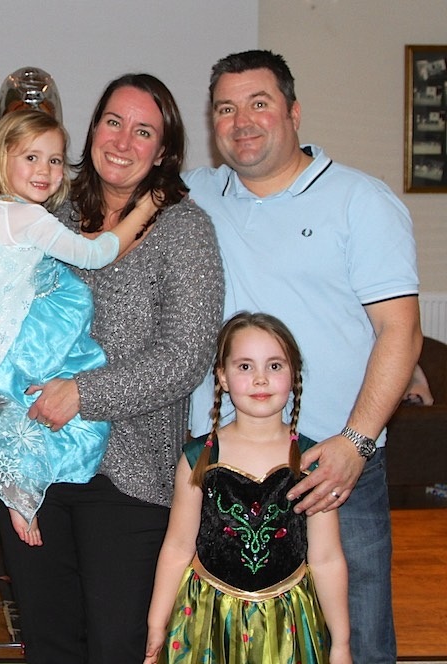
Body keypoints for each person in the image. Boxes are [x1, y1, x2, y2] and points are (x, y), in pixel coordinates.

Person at [185, 50, 422, 664]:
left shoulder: (360, 201)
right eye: (225, 109)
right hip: (225, 472)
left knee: (358, 639)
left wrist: (356, 443)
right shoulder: (194, 197)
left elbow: (400, 331)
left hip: (332, 468)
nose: (242, 121)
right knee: (234, 644)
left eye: (258, 103)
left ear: (293, 112)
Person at [9, 74, 225, 663]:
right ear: (93, 129)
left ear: (164, 149)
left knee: (118, 647)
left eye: (143, 130)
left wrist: (84, 393)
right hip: (40, 466)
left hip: (130, 476)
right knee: (49, 645)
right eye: (113, 122)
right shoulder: (49, 216)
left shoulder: (185, 229)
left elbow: (185, 357)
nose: (123, 141)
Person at [0, 109, 156, 545]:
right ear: (3, 160)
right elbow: (95, 254)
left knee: (19, 421)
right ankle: (24, 492)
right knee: (70, 416)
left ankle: (19, 491)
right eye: (31, 157)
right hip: (17, 346)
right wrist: (147, 207)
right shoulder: (28, 218)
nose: (45, 170)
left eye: (55, 160)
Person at [144, 312, 350, 664]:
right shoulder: (198, 458)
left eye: (274, 366)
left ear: (293, 375)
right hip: (208, 623)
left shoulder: (312, 463)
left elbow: (326, 557)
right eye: (244, 366)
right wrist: (156, 624)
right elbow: (177, 547)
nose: (260, 379)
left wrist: (341, 643)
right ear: (222, 377)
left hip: (289, 626)